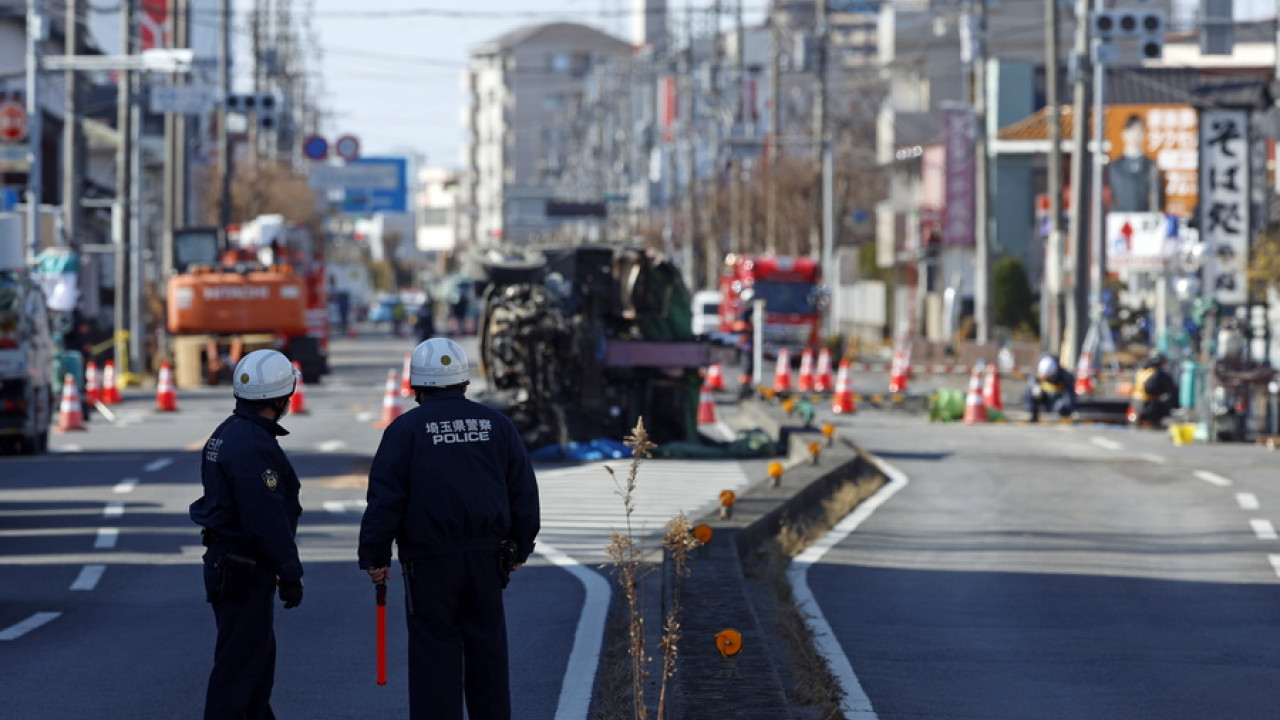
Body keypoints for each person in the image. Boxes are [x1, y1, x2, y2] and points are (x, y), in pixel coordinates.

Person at [358, 337, 540, 720]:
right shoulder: (496, 425)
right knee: (488, 656)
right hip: (487, 560)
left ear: (416, 386)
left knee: (433, 659)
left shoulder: (405, 430)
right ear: (464, 383)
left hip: (428, 563)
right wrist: (520, 547)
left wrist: (374, 555)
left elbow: (386, 498)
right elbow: (522, 490)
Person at [190, 349, 305, 720]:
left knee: (252, 668)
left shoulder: (228, 432)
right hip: (243, 567)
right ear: (278, 397)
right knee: (240, 673)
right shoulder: (253, 445)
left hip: (229, 563)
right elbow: (266, 516)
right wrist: (289, 572)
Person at [1107, 113, 1165, 213]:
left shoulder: (1151, 166)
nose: (1135, 135)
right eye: (1131, 131)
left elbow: (1158, 200)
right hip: (1119, 221)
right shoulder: (1114, 167)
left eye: (1138, 131)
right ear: (1124, 134)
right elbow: (1108, 198)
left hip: (1145, 220)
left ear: (1144, 135)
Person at [1023, 353, 1077, 423]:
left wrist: (1072, 410)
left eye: (1048, 376)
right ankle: (1033, 414)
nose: (1046, 378)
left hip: (1057, 400)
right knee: (1029, 393)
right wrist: (1035, 388)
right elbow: (1030, 385)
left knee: (1062, 405)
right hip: (1044, 397)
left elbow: (1069, 395)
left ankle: (1062, 415)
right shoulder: (1037, 375)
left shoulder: (1065, 376)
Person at [1129, 352, 1178, 427]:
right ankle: (1156, 421)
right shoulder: (1158, 373)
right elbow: (1171, 388)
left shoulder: (1142, 371)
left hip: (1135, 403)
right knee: (1168, 399)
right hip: (1148, 405)